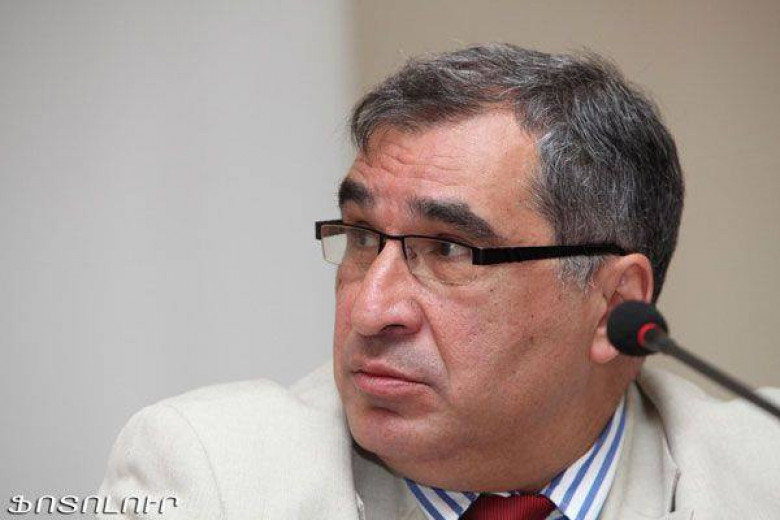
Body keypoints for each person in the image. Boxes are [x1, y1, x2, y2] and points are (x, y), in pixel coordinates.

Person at [98, 44, 780, 519]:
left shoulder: (763, 474)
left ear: (614, 305)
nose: (370, 310)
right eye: (362, 237)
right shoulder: (208, 477)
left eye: (449, 250)